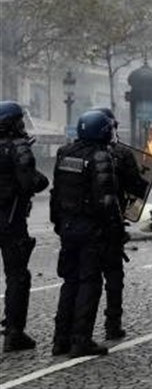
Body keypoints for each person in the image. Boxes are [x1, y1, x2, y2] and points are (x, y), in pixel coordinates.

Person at [51, 110, 122, 358]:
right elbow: (107, 202)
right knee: (89, 283)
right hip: (91, 231)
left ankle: (60, 340)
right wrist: (116, 232)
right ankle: (81, 340)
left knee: (69, 282)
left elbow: (55, 194)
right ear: (102, 132)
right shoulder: (101, 157)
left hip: (68, 228)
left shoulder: (64, 153)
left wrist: (59, 224)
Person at [92, 107, 148, 340]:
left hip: (81, 225)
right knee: (113, 276)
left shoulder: (71, 152)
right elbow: (137, 187)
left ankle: (66, 334)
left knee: (82, 278)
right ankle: (112, 325)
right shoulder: (121, 154)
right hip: (111, 223)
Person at [0, 101, 49, 352]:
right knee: (18, 276)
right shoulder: (18, 148)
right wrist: (42, 178)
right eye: (20, 120)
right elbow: (29, 183)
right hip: (11, 221)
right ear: (12, 123)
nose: (23, 124)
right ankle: (14, 333)